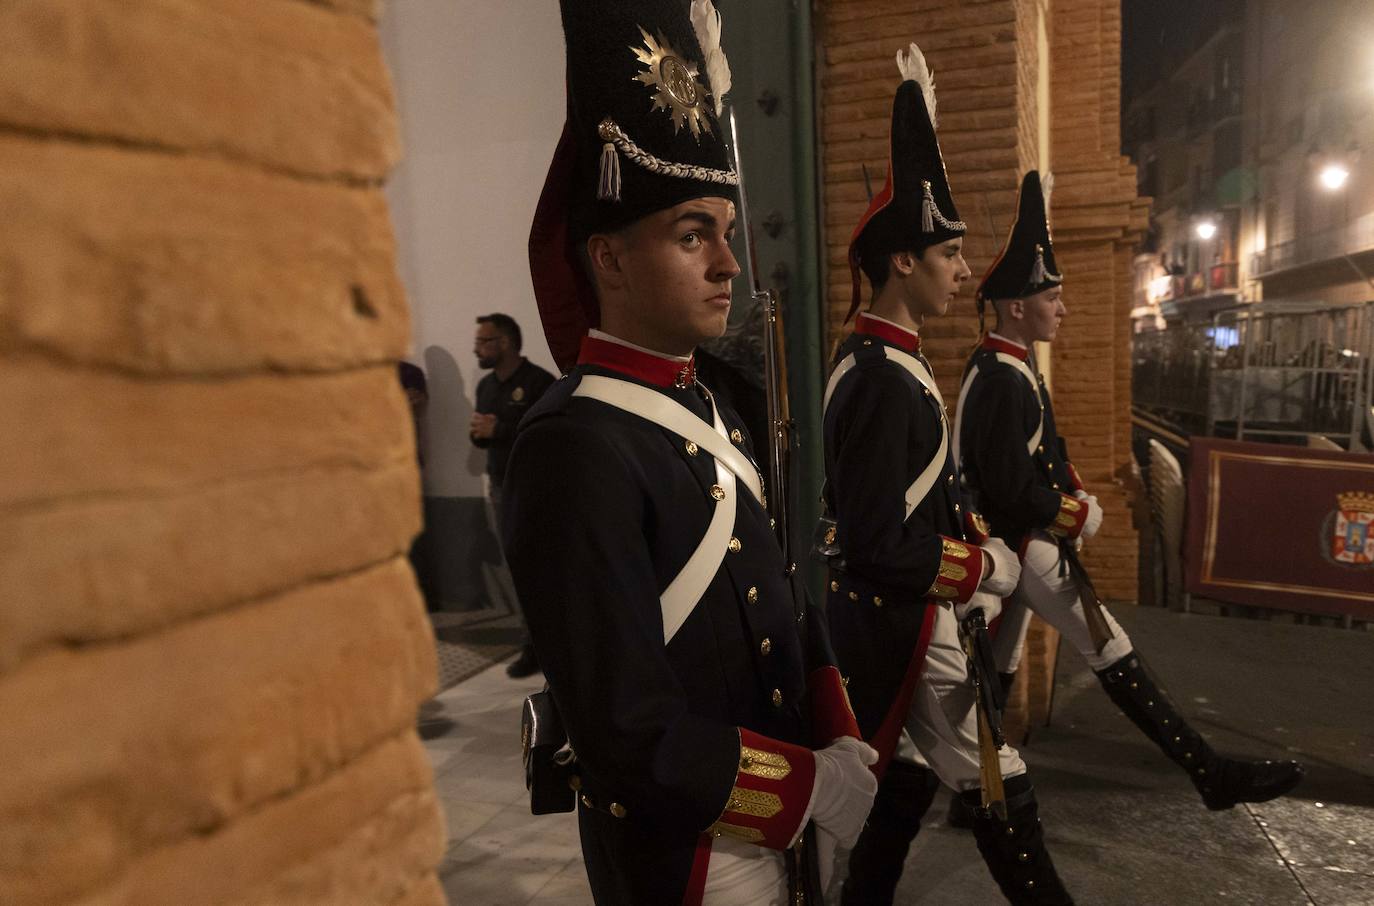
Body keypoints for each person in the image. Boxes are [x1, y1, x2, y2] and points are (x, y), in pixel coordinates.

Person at [502, 2, 878, 903]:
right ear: (611, 258)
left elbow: (783, 593)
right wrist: (808, 791)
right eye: (690, 233)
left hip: (772, 829)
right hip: (689, 863)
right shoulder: (571, 445)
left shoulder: (713, 405)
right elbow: (629, 736)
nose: (728, 263)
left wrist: (839, 738)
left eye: (726, 230)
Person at [954, 169, 1304, 816]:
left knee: (997, 666)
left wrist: (1071, 488)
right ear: (1014, 306)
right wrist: (1074, 512)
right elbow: (1008, 488)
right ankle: (1208, 773)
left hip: (1024, 539)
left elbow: (1040, 455)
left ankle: (974, 793)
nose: (1063, 308)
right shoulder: (1001, 376)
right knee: (1108, 647)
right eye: (1051, 297)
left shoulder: (1009, 366)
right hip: (1020, 540)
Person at [821, 45, 1075, 906]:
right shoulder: (884, 377)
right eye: (951, 254)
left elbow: (927, 498)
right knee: (992, 770)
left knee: (923, 777)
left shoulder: (892, 361)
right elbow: (875, 538)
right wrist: (986, 566)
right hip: (896, 619)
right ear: (904, 260)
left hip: (914, 614)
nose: (965, 270)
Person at [469, 313, 555, 677]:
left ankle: (554, 646)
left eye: (484, 341)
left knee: (546, 570)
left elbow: (549, 438)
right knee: (517, 571)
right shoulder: (486, 386)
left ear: (505, 343)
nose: (477, 348)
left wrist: (499, 427)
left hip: (537, 490)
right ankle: (532, 646)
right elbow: (480, 437)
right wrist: (481, 433)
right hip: (501, 487)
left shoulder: (540, 383)